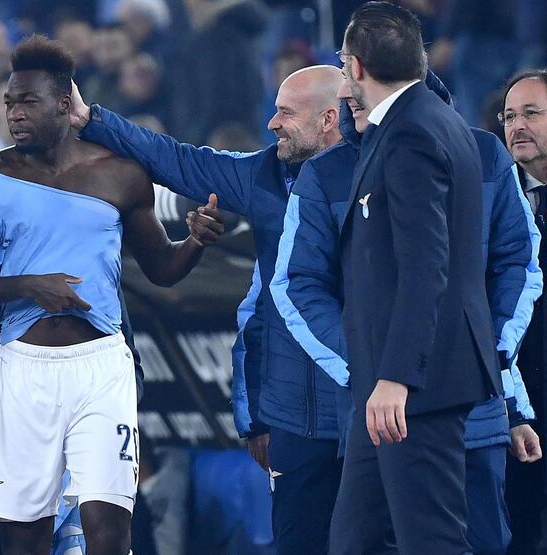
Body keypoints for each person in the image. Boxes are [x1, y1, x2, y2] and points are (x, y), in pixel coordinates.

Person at [0, 35, 225, 555]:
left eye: (28, 102)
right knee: (24, 539)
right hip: (21, 371)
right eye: (8, 103)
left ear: (66, 105)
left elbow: (161, 269)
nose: (14, 114)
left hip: (102, 366)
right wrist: (28, 286)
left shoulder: (122, 174)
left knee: (110, 532)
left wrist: (195, 243)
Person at [267, 68, 543, 555]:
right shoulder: (327, 172)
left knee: (474, 542)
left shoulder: (482, 154)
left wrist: (489, 356)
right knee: (366, 542)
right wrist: (369, 364)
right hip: (379, 409)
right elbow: (298, 284)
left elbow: (517, 262)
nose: (352, 97)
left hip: (472, 407)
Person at [71, 64, 345, 553]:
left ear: (329, 119)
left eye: (285, 112)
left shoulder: (381, 177)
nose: (272, 123)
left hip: (365, 403)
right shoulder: (263, 175)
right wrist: (92, 119)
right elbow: (177, 160)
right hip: (293, 415)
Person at [329, 3, 502, 553]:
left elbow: (427, 267)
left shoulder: (412, 134)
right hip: (384, 385)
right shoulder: (430, 119)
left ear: (355, 67)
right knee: (354, 540)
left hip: (410, 388)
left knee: (431, 541)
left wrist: (399, 377)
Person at [501, 68, 547, 554]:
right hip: (520, 399)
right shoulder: (491, 196)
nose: (518, 126)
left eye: (532, 113)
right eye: (510, 116)